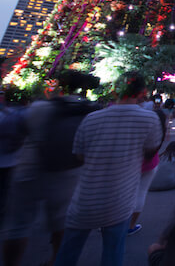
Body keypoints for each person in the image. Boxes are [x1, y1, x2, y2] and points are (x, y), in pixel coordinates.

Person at [53, 71, 162, 266]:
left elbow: (79, 156)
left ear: (114, 92)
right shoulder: (150, 119)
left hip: (84, 201)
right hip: (119, 202)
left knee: (67, 255)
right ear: (143, 92)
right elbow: (150, 151)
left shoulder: (91, 118)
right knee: (112, 256)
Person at [2, 85, 95, 266]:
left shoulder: (40, 107)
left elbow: (13, 130)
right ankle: (56, 260)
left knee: (18, 225)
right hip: (67, 171)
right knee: (61, 222)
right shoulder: (87, 111)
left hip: (30, 169)